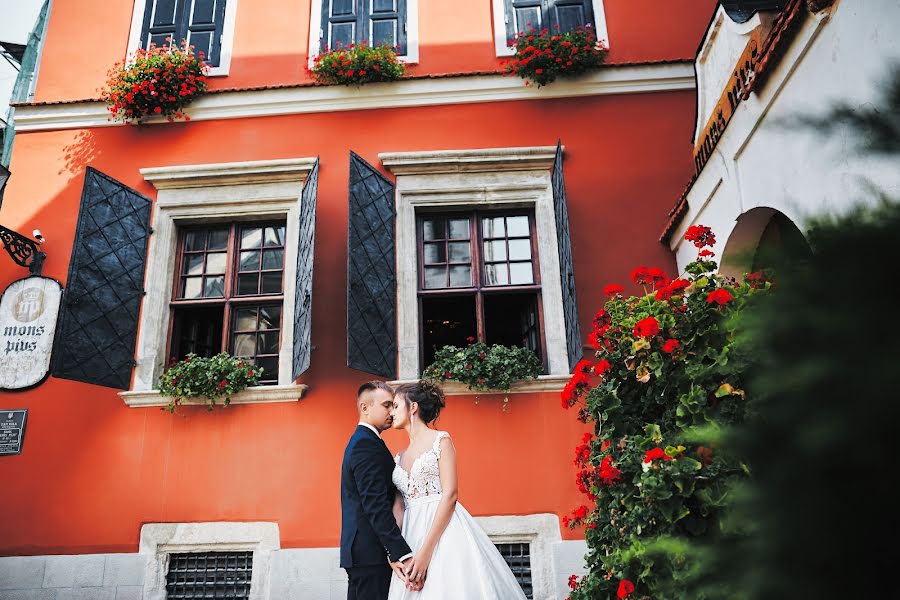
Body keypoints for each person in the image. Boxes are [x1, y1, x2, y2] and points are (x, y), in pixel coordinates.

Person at [387, 380, 528, 599]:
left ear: (413, 407)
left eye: (396, 405)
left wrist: (425, 555)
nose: (391, 412)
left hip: (443, 529)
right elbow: (398, 508)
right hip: (409, 534)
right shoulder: (398, 457)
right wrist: (394, 553)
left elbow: (450, 495)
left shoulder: (440, 440)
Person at [340, 381, 422, 600]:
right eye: (387, 405)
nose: (392, 411)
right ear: (364, 408)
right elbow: (375, 504)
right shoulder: (365, 445)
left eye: (394, 406)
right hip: (370, 554)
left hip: (364, 553)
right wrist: (400, 552)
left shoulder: (367, 441)